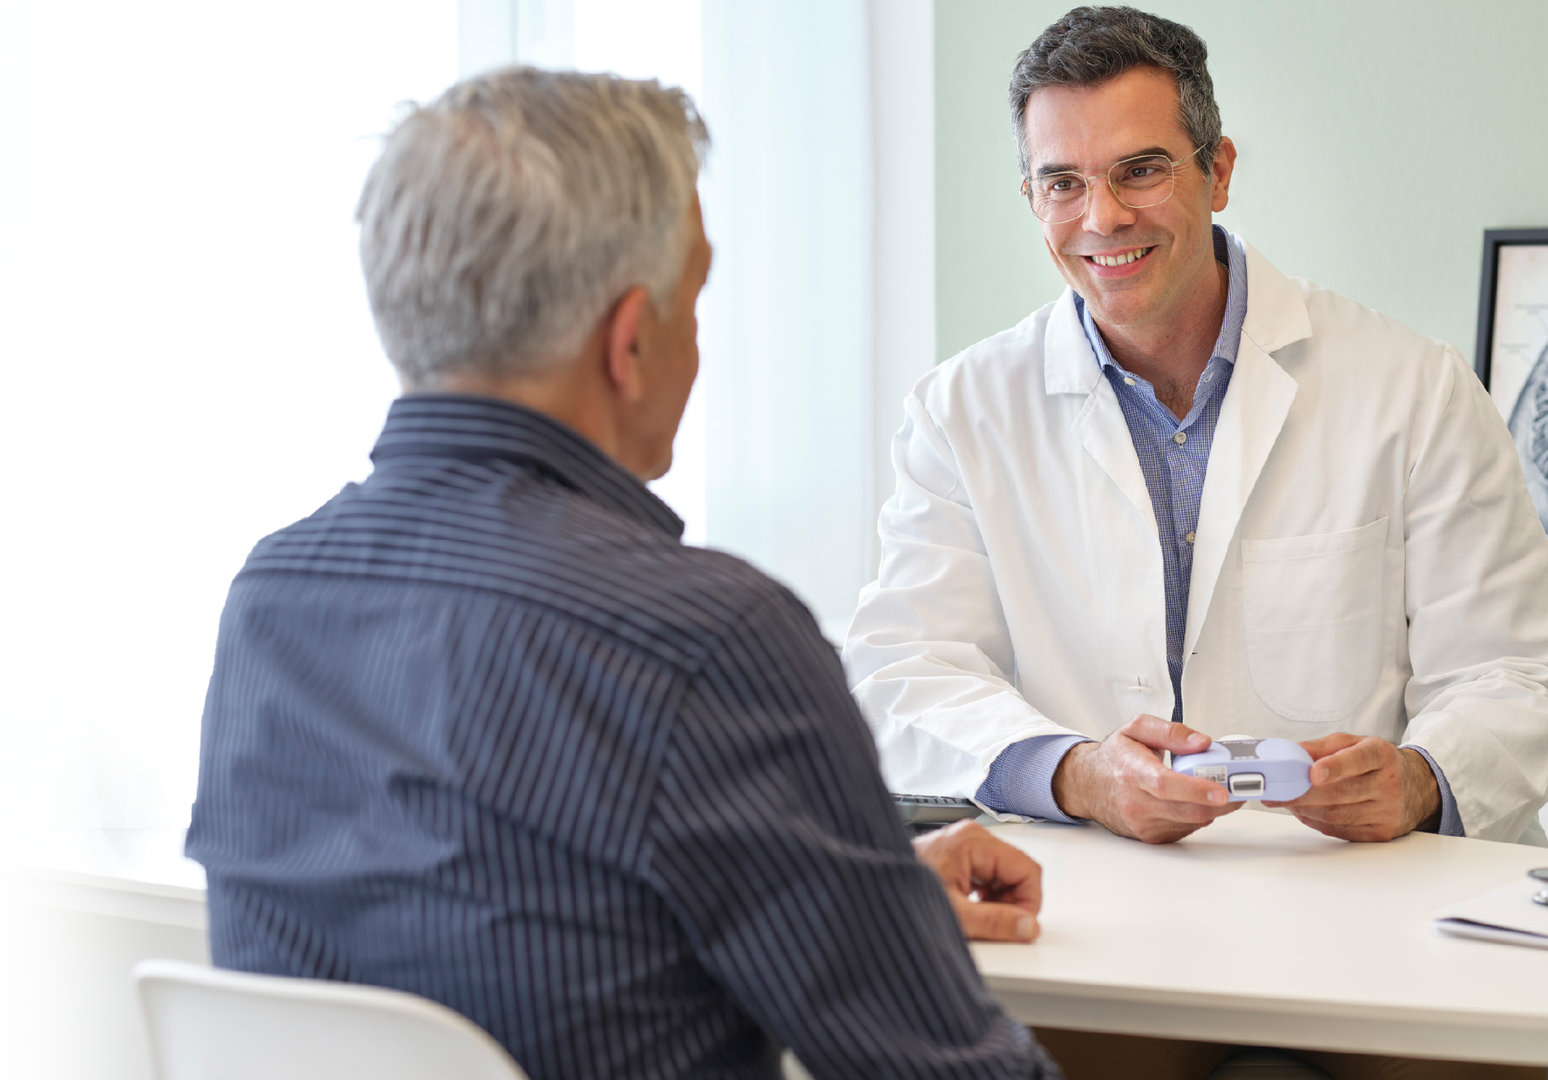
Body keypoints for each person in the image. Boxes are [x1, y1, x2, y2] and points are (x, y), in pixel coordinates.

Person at [186, 69, 1058, 1080]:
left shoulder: (274, 596)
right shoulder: (706, 639)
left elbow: (479, 920)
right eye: (696, 295)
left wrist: (848, 883)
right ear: (631, 340)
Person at [845, 5, 1548, 852]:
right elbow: (903, 672)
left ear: (1219, 169)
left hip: (1352, 904)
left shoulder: (1413, 387)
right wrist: (1077, 774)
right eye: (1063, 182)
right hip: (1088, 906)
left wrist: (1419, 781)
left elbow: (1523, 672)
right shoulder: (962, 412)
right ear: (1032, 196)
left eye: (1141, 170)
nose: (1103, 217)